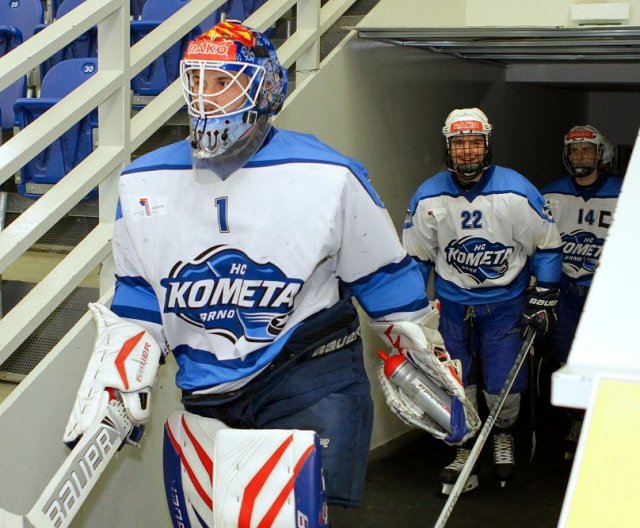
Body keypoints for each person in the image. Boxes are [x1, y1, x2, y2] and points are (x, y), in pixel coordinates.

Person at [61, 21, 477, 527]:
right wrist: (120, 376)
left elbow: (382, 278)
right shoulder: (142, 182)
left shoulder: (329, 175)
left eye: (223, 81)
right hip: (204, 386)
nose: (205, 98)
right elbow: (140, 296)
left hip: (309, 376)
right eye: (197, 80)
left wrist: (423, 352)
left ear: (265, 87)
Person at [403, 108, 563, 492]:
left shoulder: (516, 191)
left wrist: (545, 295)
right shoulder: (428, 196)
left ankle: (502, 435)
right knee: (455, 379)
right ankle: (465, 442)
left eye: (475, 142)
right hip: (452, 305)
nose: (468, 152)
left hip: (505, 303)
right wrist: (410, 312)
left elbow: (547, 244)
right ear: (448, 148)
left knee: (502, 379)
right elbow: (416, 259)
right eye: (459, 144)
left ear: (487, 144)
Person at [541, 125, 623, 459]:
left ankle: (601, 422)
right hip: (565, 289)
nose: (580, 157)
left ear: (600, 153)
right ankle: (577, 420)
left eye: (587, 150)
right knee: (565, 359)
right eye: (574, 151)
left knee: (602, 359)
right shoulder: (550, 194)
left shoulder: (624, 192)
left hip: (603, 292)